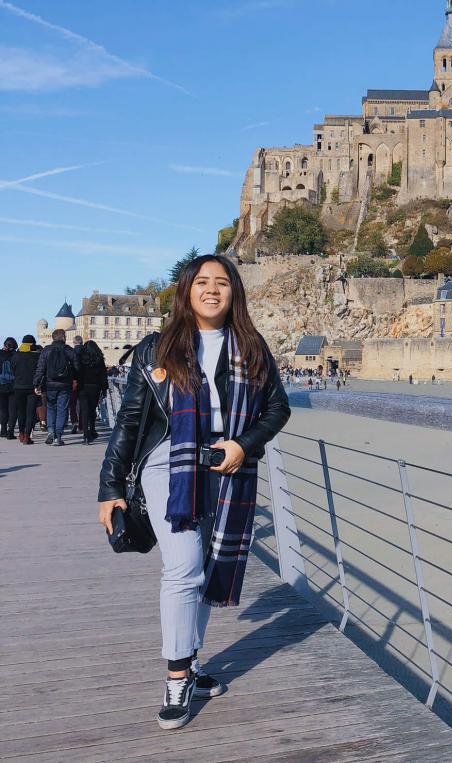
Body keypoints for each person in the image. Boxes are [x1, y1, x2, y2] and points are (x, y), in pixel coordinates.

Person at [98, 255, 291, 731]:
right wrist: (110, 487)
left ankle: (191, 658)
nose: (211, 290)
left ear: (234, 292)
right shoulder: (156, 348)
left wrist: (244, 447)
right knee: (183, 563)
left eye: (221, 283)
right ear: (186, 291)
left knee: (206, 567)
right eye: (201, 282)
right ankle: (177, 676)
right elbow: (129, 422)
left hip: (227, 464)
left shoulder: (251, 346)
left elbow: (278, 408)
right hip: (170, 463)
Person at [33, 329, 79, 446]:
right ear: (63, 337)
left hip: (50, 385)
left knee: (51, 408)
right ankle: (58, 436)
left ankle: (50, 431)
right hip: (65, 385)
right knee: (62, 410)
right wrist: (74, 378)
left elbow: (40, 368)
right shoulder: (69, 350)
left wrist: (36, 383)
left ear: (53, 338)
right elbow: (77, 368)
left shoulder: (46, 350)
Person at [77, 339, 107, 444]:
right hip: (95, 387)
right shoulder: (99, 360)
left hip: (82, 387)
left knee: (84, 411)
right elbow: (103, 376)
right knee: (92, 410)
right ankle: (92, 429)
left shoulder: (80, 359)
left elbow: (77, 373)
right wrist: (104, 389)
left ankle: (85, 435)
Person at [12, 335, 39, 444]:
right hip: (32, 387)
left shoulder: (16, 355)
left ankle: (21, 433)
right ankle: (27, 436)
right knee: (30, 412)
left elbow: (12, 369)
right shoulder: (36, 356)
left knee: (21, 411)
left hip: (18, 387)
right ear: (32, 344)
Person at [0, 337, 18, 439]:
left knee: (3, 410)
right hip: (13, 385)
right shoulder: (16, 355)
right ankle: (10, 432)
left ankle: (3, 431)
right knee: (13, 410)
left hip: (1, 385)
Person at [69, 334, 83, 434]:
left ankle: (74, 422)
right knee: (83, 404)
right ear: (82, 342)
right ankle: (82, 425)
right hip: (84, 381)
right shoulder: (87, 352)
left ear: (74, 343)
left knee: (72, 403)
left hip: (73, 381)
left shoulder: (71, 352)